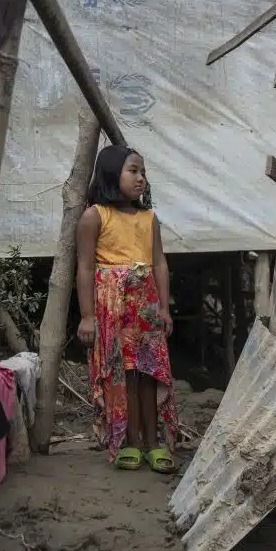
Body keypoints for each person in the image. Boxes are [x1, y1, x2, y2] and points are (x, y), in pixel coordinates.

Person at [75, 145, 178, 473]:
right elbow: (85, 269)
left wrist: (165, 308)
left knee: (150, 372)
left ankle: (154, 443)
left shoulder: (150, 219)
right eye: (133, 170)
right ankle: (129, 443)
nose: (141, 178)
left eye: (143, 172)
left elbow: (159, 263)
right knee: (124, 375)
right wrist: (88, 316)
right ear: (110, 172)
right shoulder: (94, 216)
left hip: (145, 308)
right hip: (112, 308)